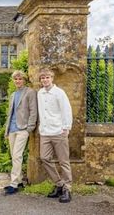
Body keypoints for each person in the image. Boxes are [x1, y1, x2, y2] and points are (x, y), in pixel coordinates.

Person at [37, 68, 73, 203]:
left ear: (52, 78)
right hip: (45, 132)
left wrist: (66, 128)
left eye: (47, 77)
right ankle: (59, 184)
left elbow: (66, 110)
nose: (45, 80)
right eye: (42, 78)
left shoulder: (59, 93)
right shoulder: (40, 93)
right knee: (44, 158)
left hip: (59, 132)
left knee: (64, 161)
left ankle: (67, 189)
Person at [3, 70, 38, 195]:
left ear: (24, 80)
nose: (18, 81)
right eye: (16, 79)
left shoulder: (30, 92)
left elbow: (33, 111)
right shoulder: (13, 94)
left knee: (17, 155)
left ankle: (13, 184)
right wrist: (6, 131)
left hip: (23, 129)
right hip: (12, 129)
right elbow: (10, 114)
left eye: (20, 79)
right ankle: (19, 181)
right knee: (14, 156)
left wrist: (30, 128)